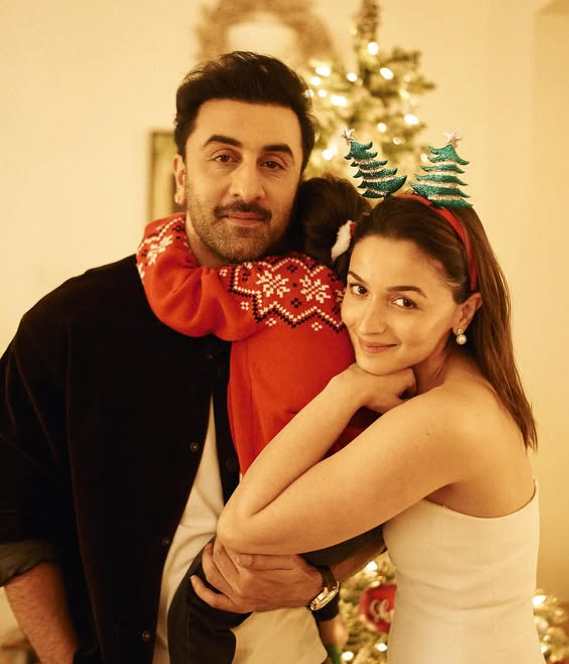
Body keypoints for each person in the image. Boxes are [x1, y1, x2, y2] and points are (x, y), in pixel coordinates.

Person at [0, 52, 407, 664]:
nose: (248, 187)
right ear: (181, 174)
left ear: (299, 180)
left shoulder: (347, 317)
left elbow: (404, 474)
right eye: (223, 157)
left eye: (274, 162)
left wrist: (323, 579)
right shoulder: (71, 324)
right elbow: (13, 519)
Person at [191, 165, 545, 662]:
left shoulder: (445, 419)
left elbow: (241, 525)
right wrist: (323, 582)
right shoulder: (443, 388)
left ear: (463, 311)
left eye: (404, 301)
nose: (366, 323)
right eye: (358, 289)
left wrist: (346, 389)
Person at [137, 176, 384, 664]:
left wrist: (165, 231)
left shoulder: (269, 284)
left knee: (199, 605)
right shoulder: (356, 301)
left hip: (285, 495)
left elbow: (178, 295)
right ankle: (329, 633)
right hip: (355, 493)